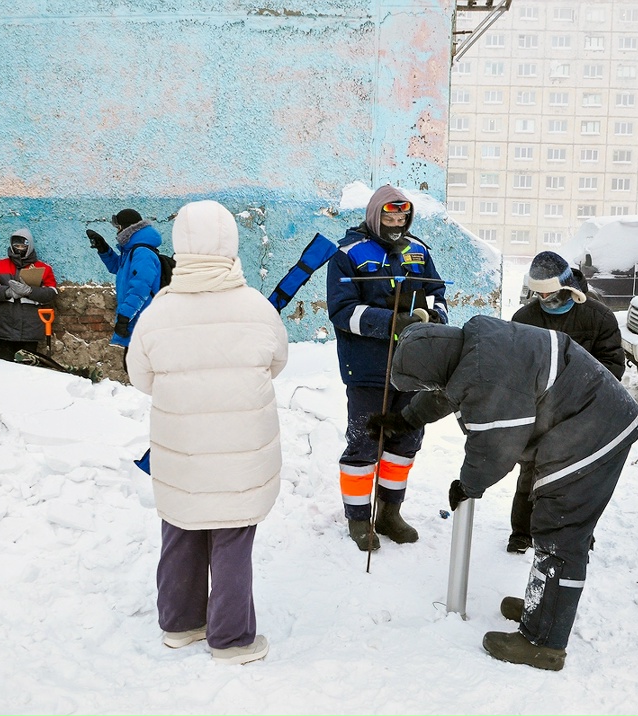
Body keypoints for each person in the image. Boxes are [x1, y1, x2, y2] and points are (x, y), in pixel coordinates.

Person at [367, 315, 638, 670]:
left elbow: (495, 446)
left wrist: (468, 486)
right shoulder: (475, 342)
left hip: (594, 432)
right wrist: (406, 419)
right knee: (551, 526)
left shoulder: (486, 376)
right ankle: (542, 607)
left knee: (561, 531)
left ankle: (544, 643)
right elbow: (449, 391)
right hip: (587, 416)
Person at [126, 199, 287, 666]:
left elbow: (140, 375)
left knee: (181, 528)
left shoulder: (159, 312)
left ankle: (180, 624)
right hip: (242, 448)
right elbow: (277, 361)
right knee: (232, 535)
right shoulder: (255, 307)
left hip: (182, 449)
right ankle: (232, 639)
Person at [325, 185, 449, 551]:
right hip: (368, 368)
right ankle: (359, 518)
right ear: (374, 216)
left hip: (413, 368)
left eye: (402, 218)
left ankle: (390, 514)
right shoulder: (347, 254)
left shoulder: (419, 250)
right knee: (365, 442)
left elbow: (438, 293)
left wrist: (432, 318)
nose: (396, 224)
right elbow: (342, 312)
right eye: (389, 217)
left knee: (405, 441)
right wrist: (393, 322)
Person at [505, 251, 626, 554]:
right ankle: (522, 531)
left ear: (568, 286)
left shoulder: (598, 316)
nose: (545, 298)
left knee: (577, 478)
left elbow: (613, 364)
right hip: (540, 412)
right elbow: (514, 367)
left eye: (551, 292)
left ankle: (576, 532)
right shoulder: (524, 319)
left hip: (582, 412)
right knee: (531, 472)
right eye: (539, 293)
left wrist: (581, 391)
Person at [85, 209, 163, 365]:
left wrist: (125, 317)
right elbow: (117, 267)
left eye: (118, 227)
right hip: (137, 318)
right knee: (134, 367)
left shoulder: (142, 253)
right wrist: (104, 249)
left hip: (143, 319)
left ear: (127, 228)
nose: (117, 231)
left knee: (141, 368)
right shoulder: (131, 251)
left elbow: (139, 289)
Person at [0, 229, 59, 360]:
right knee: (1, 367)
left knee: (27, 368)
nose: (19, 249)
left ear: (29, 246)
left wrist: (30, 291)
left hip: (30, 328)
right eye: (16, 246)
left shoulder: (44, 268)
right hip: (3, 327)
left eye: (23, 246)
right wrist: (7, 292)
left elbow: (51, 292)